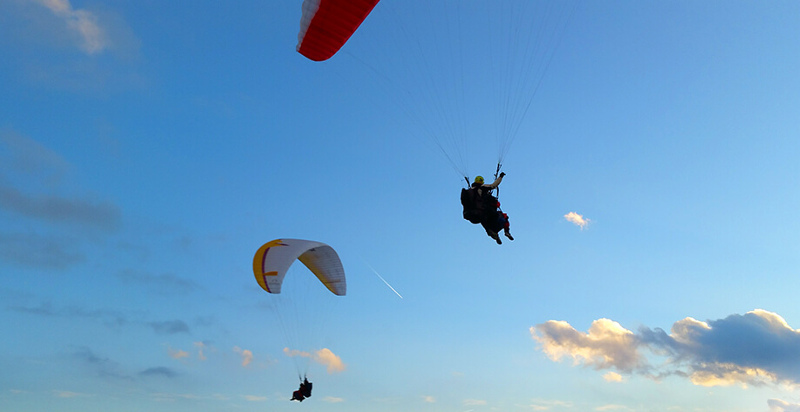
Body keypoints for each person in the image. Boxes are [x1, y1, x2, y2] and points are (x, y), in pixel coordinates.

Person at [466, 172, 513, 244]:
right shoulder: (482, 187)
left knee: (486, 223)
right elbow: (494, 185)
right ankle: (506, 232)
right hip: (487, 210)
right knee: (503, 217)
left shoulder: (470, 191)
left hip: (477, 213)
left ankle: (495, 235)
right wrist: (500, 177)